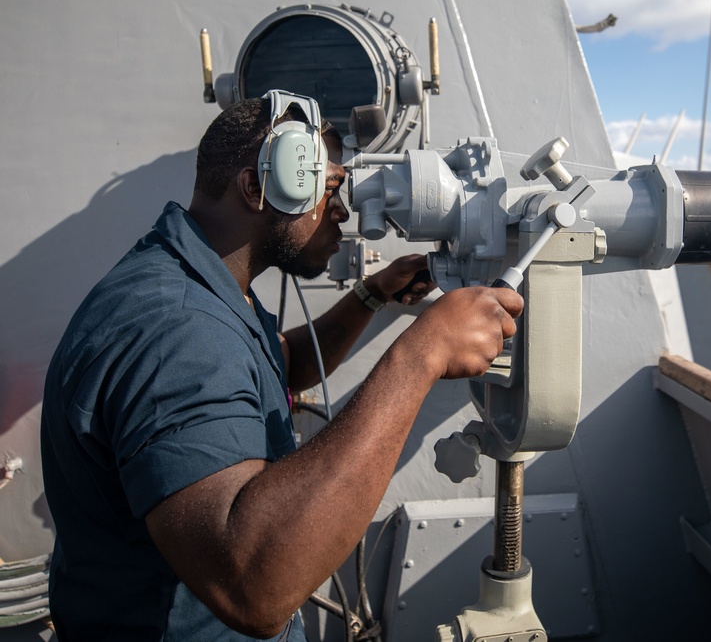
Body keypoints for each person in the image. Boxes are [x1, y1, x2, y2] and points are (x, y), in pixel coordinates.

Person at [40, 95, 523, 641]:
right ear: (259, 188)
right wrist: (421, 354)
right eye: (331, 188)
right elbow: (251, 588)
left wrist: (371, 294)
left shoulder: (200, 282)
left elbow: (280, 366)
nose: (341, 211)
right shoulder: (177, 331)